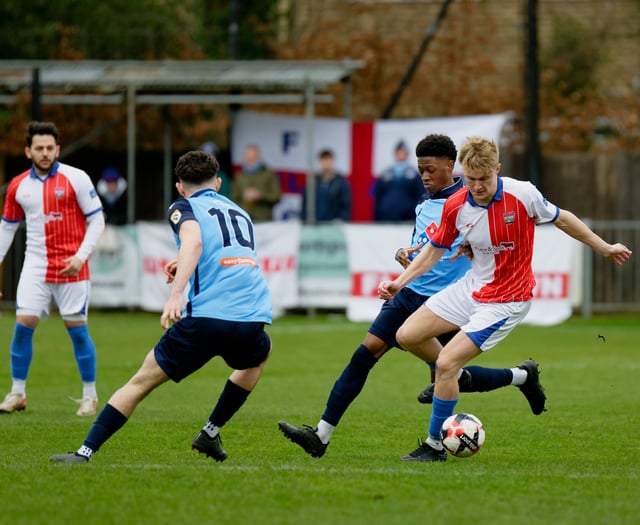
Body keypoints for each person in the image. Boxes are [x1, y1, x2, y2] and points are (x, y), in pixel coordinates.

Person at [278, 134, 547, 458]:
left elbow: (470, 243)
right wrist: (404, 254)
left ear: (451, 167)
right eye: (420, 170)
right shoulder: (424, 202)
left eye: (430, 169)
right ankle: (320, 435)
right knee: (365, 354)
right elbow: (425, 245)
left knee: (450, 376)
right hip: (411, 294)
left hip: (448, 300)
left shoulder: (472, 199)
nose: (425, 176)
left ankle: (516, 380)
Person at [378, 136, 632, 462]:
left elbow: (563, 218)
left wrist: (605, 247)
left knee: (445, 363)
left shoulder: (522, 194)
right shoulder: (457, 204)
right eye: (471, 180)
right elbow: (433, 251)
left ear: (497, 169)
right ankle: (486, 377)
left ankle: (434, 446)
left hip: (507, 299)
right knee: (406, 335)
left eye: (484, 179)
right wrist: (400, 282)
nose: (478, 186)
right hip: (472, 288)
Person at [50, 150, 272, 463]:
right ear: (219, 183)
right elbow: (226, 254)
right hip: (252, 316)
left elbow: (194, 241)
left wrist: (176, 294)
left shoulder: (183, 206)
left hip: (207, 319)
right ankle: (210, 431)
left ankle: (84, 452)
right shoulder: (240, 212)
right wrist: (181, 262)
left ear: (180, 187)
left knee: (141, 382)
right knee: (257, 357)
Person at [0, 121, 105, 416]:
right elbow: (6, 229)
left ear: (57, 149)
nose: (45, 153)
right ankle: (17, 393)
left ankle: (90, 395)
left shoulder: (77, 178)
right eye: (39, 148)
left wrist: (81, 257)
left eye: (50, 148)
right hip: (36, 266)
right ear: (28, 151)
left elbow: (97, 220)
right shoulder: (18, 186)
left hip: (72, 267)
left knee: (77, 331)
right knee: (23, 327)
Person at [372, 140, 425, 222]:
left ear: (407, 154)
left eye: (403, 152)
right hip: (385, 218)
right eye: (399, 152)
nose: (401, 155)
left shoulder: (414, 175)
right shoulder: (385, 174)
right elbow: (377, 197)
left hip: (407, 219)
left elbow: (420, 197)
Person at [231, 144, 281, 222]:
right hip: (244, 220)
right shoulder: (239, 176)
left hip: (264, 220)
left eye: (253, 157)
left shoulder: (269, 174)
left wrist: (260, 195)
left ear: (258, 157)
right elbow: (232, 199)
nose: (250, 160)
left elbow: (276, 196)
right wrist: (244, 197)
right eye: (248, 157)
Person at [301, 148, 352, 222]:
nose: (326, 163)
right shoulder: (313, 182)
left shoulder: (341, 182)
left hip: (333, 224)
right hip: (315, 224)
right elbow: (305, 204)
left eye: (328, 159)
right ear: (320, 162)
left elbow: (346, 205)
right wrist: (305, 219)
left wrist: (341, 220)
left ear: (333, 161)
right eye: (323, 160)